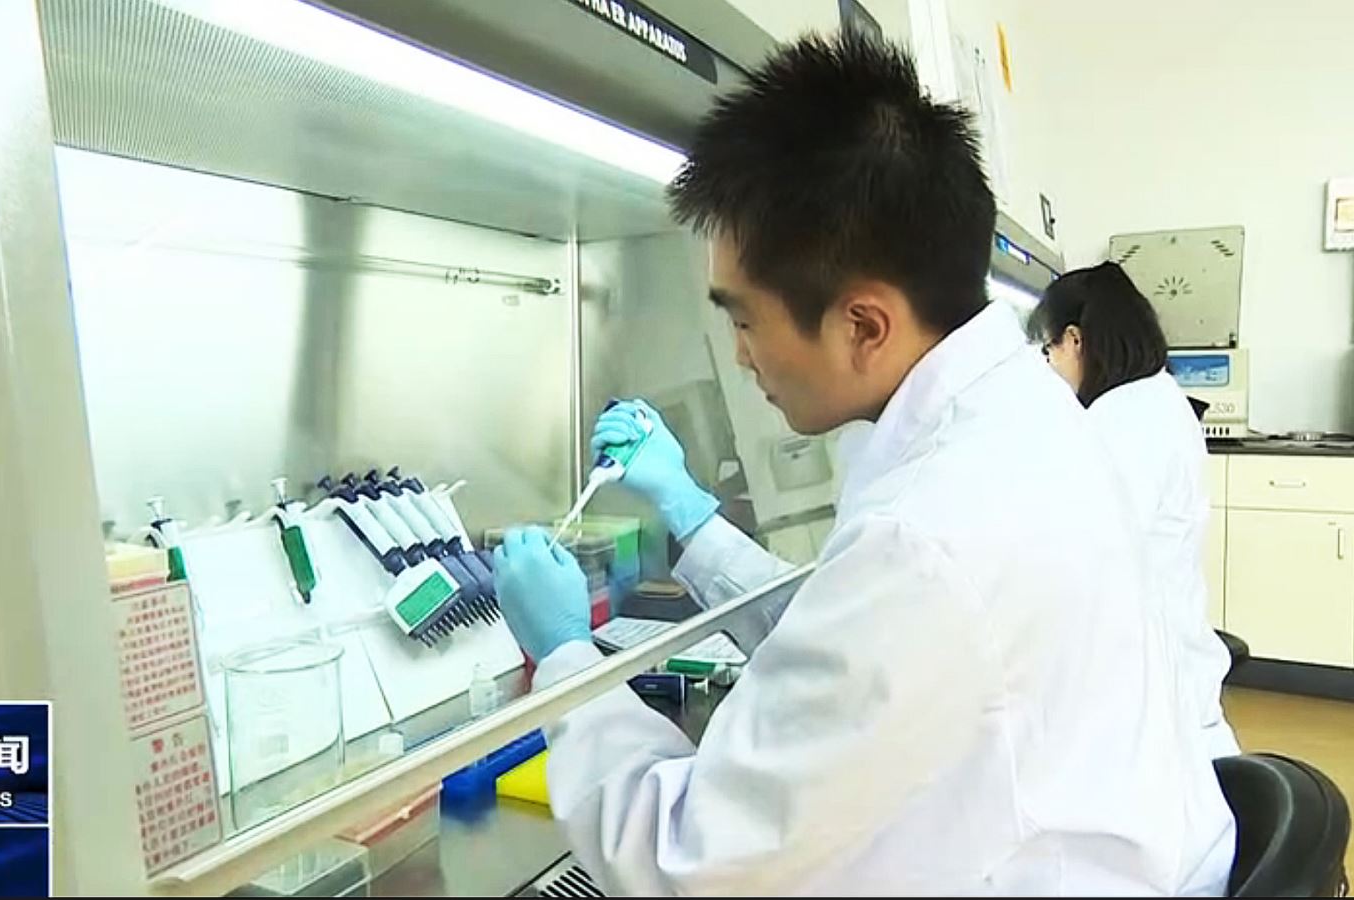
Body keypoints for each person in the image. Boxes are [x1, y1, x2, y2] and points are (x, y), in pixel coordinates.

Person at [491, 32, 1235, 895]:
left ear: (865, 325)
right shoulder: (1017, 415)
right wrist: (693, 517)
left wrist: (567, 663)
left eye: (744, 320)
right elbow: (847, 643)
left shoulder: (931, 528)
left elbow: (687, 858)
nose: (741, 355)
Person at [1029, 261, 1241, 760]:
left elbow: (1082, 557)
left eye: (1047, 350)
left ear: (1075, 341)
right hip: (1166, 676)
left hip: (1155, 700)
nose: (1048, 366)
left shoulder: (1123, 421)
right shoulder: (1152, 400)